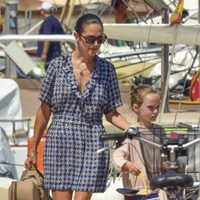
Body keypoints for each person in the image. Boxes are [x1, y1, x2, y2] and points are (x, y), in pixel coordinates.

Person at [25, 13, 132, 200]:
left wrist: (132, 127)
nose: (96, 45)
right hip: (60, 140)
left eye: (100, 39)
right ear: (76, 37)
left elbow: (111, 113)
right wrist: (33, 150)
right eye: (90, 39)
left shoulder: (107, 70)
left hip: (92, 140)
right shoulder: (57, 67)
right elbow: (44, 110)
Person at [113, 85, 168, 199]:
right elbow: (118, 154)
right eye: (150, 107)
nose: (156, 111)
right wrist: (126, 164)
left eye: (157, 107)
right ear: (136, 108)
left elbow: (165, 155)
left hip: (158, 187)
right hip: (137, 190)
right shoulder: (131, 132)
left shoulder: (160, 130)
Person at [37, 2, 65, 72]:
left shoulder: (48, 22)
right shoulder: (56, 21)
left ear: (43, 11)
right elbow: (64, 36)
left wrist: (44, 53)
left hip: (50, 54)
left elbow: (47, 37)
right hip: (56, 52)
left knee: (48, 74)